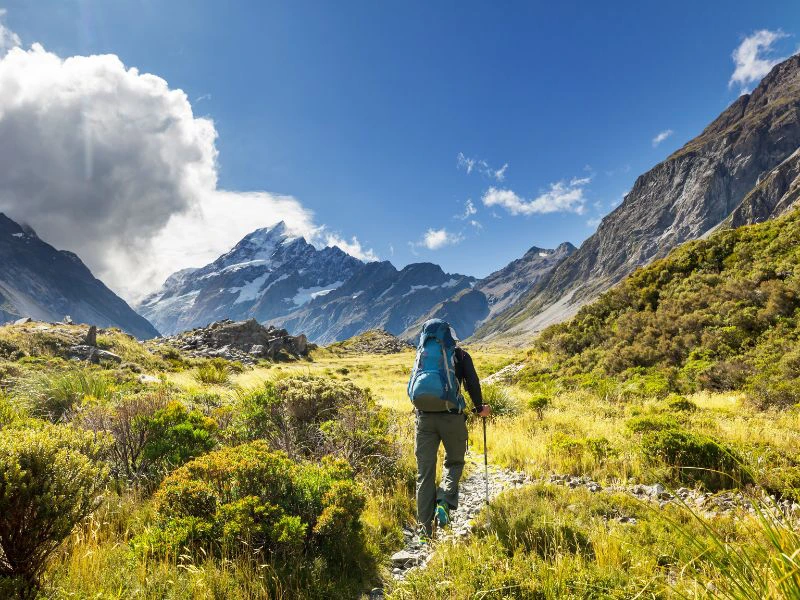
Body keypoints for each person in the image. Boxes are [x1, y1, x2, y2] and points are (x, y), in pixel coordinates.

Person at [412, 323, 491, 538]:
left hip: (424, 419)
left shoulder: (422, 355)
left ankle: (424, 532)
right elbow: (472, 383)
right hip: (452, 417)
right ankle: (444, 501)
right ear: (451, 338)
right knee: (454, 462)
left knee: (424, 474)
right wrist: (479, 408)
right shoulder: (461, 356)